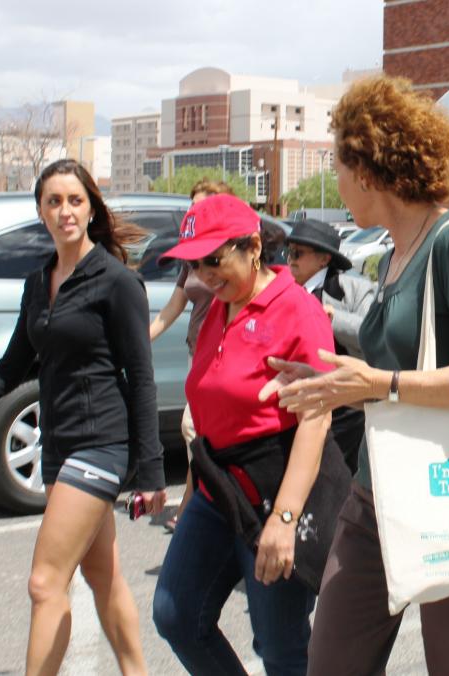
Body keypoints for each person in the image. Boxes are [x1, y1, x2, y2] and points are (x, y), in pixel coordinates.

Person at [259, 74, 449, 676]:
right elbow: (395, 369)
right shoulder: (390, 256)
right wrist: (334, 382)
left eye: (340, 166)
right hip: (375, 493)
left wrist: (380, 385)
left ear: (372, 169)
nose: (337, 181)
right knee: (330, 662)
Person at [0, 159, 167, 675]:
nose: (64, 211)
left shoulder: (116, 282)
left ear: (91, 209)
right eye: (53, 201)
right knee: (102, 574)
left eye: (74, 200)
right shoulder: (38, 282)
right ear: (40, 210)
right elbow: (5, 373)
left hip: (102, 444)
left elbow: (142, 376)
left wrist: (152, 471)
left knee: (45, 582)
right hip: (58, 444)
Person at [151, 194, 336, 674]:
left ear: (253, 246)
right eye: (195, 264)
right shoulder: (219, 306)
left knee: (279, 647)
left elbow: (316, 421)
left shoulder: (296, 310)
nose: (205, 275)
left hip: (273, 492)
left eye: (215, 260)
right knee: (175, 613)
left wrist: (286, 519)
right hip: (218, 488)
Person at [148, 179, 233, 531]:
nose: (193, 211)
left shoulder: (232, 252)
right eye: (192, 205)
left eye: (202, 205)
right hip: (195, 352)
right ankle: (195, 504)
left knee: (193, 427)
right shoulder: (192, 257)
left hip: (225, 354)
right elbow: (173, 306)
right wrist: (142, 340)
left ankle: (203, 505)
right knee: (201, 434)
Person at [284, 217, 377, 472]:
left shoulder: (354, 289)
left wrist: (331, 316)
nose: (290, 259)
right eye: (288, 252)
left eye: (298, 253)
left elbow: (370, 335)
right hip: (297, 404)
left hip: (346, 408)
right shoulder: (282, 291)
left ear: (324, 259)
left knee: (337, 479)